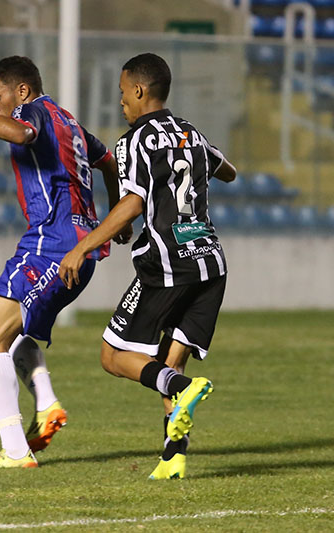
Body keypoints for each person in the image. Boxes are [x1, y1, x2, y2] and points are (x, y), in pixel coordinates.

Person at [0, 56, 131, 468]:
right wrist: (116, 215)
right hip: (80, 251)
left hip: (51, 244)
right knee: (14, 336)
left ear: (22, 91)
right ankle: (47, 405)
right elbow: (109, 163)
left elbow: (22, 133)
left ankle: (16, 451)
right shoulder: (69, 122)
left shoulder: (30, 112)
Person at [58, 53, 237, 479]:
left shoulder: (132, 142)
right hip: (210, 262)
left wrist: (82, 247)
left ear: (139, 91)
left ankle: (184, 389)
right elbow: (227, 170)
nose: (121, 102)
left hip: (168, 265)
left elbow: (133, 202)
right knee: (167, 362)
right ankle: (173, 457)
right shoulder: (191, 133)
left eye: (122, 93)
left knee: (113, 355)